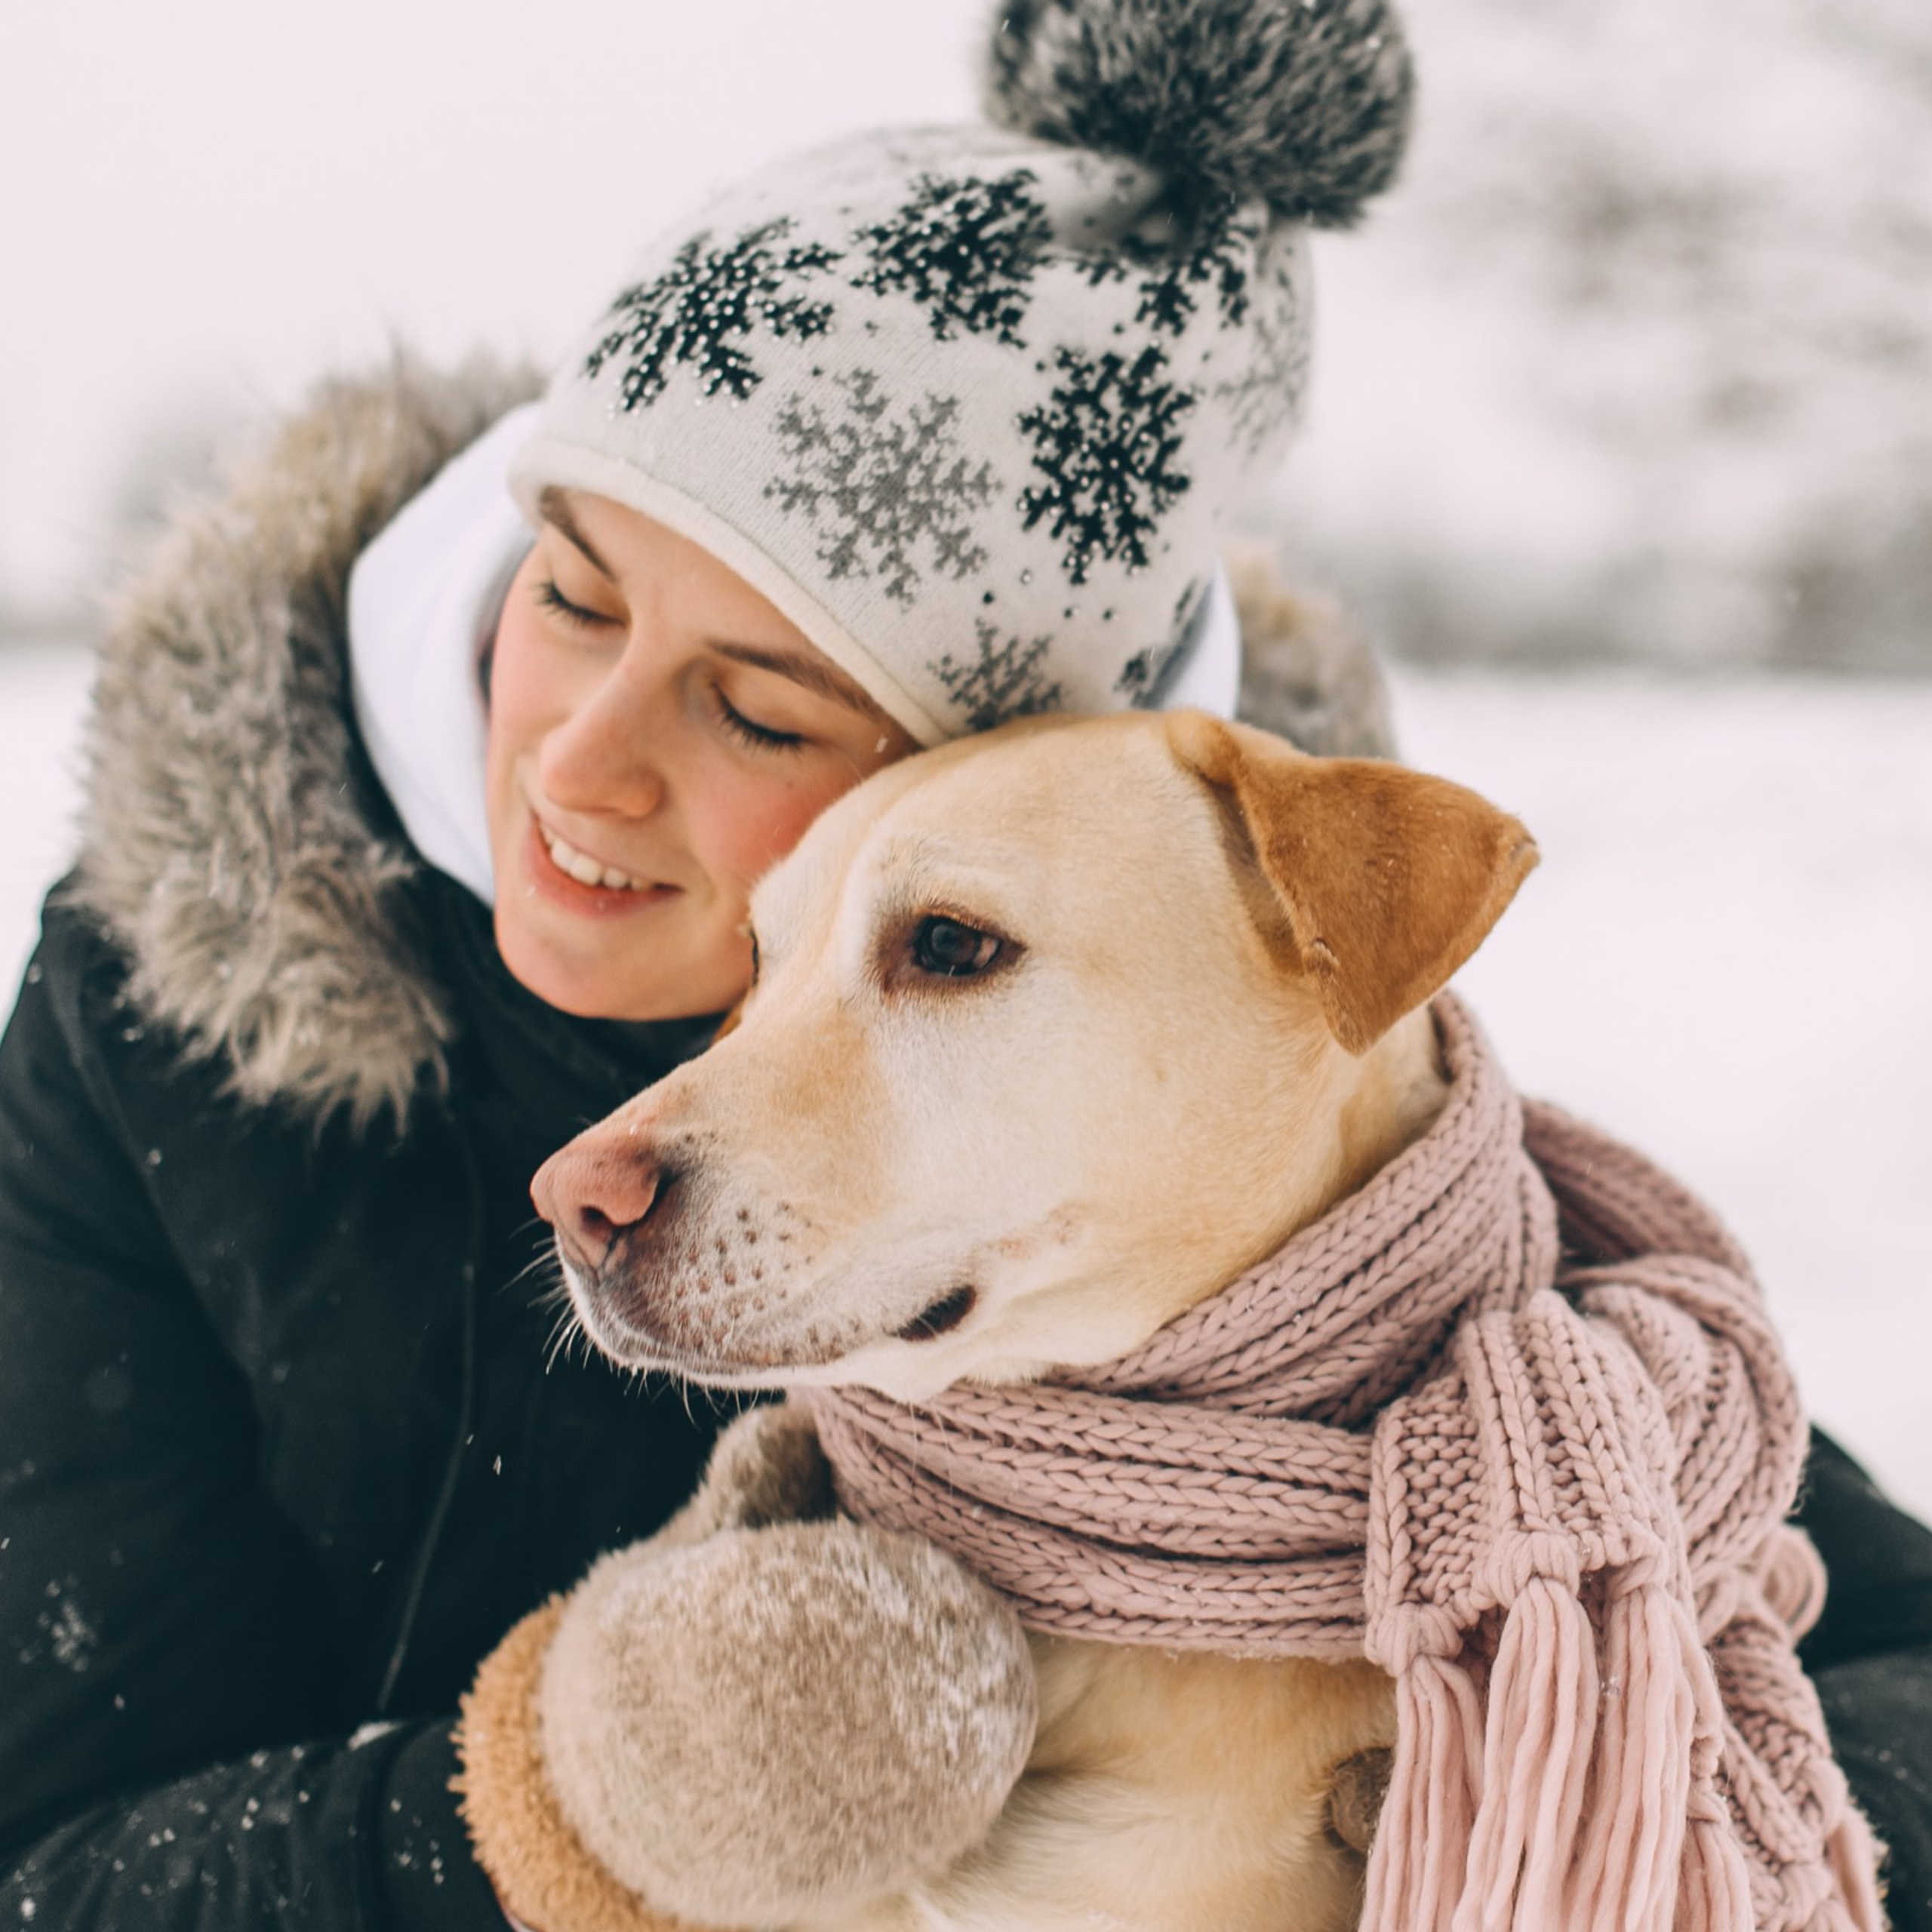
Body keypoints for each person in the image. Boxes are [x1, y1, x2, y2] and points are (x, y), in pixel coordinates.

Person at [1, 3, 1927, 1929]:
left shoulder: (1379, 1227)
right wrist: (572, 1804)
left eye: (757, 709)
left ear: (995, 777)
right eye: (567, 594)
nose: (576, 761)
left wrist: (1570, 1804)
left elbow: (1885, 1683)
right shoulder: (150, 1050)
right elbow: (53, 1860)